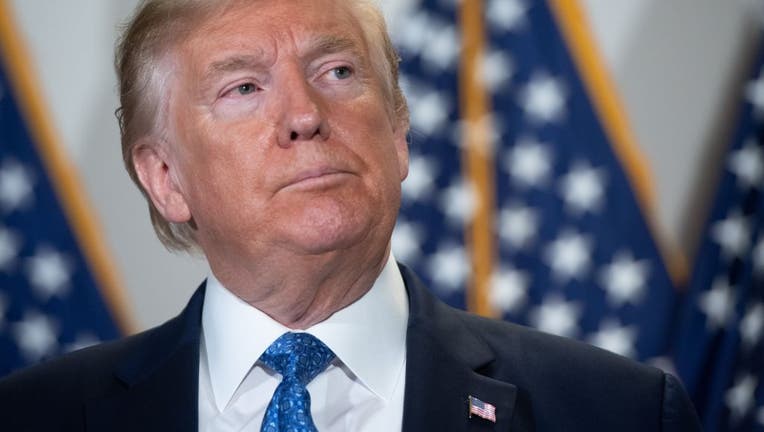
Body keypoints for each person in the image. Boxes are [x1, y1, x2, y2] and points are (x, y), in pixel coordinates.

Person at [0, 0, 701, 430]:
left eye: (338, 72)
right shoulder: (35, 418)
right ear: (164, 178)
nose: (306, 115)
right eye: (243, 87)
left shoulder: (621, 413)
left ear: (398, 134)